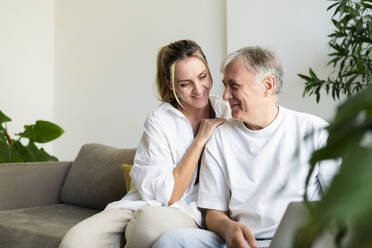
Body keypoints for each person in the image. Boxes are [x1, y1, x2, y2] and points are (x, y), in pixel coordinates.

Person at [153, 46, 339, 248]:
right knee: (170, 242)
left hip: (298, 242)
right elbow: (214, 213)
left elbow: (344, 202)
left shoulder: (315, 130)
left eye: (234, 86)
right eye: (224, 85)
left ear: (268, 85)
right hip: (238, 243)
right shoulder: (219, 137)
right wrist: (228, 228)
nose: (224, 96)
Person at [59, 40, 230, 248]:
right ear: (170, 84)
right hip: (143, 204)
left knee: (146, 226)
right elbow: (167, 195)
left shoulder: (227, 112)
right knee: (76, 241)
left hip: (190, 211)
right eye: (185, 84)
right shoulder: (159, 120)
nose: (198, 89)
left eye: (203, 76)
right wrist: (200, 140)